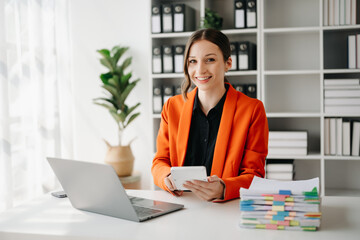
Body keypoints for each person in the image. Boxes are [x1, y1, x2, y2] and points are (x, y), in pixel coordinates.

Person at [151, 28, 268, 202]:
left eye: (210, 60)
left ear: (228, 63)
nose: (200, 70)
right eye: (192, 61)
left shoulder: (252, 110)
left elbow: (254, 175)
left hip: (224, 208)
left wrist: (224, 188)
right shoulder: (172, 107)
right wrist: (166, 177)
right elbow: (160, 161)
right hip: (181, 205)